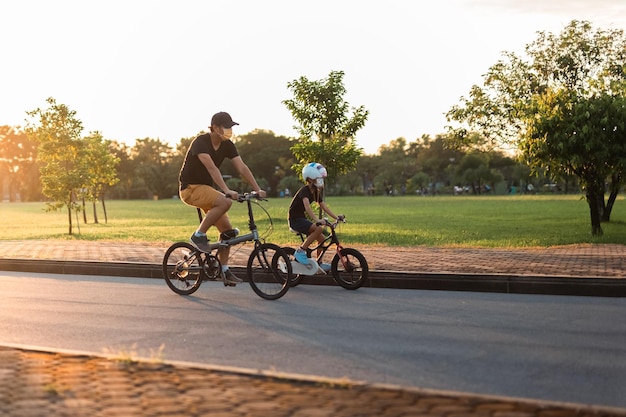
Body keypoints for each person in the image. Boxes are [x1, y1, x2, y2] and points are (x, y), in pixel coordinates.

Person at [178, 111, 266, 285]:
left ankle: (224, 271)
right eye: (226, 127)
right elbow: (211, 168)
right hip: (190, 188)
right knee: (225, 201)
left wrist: (257, 189)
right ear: (215, 127)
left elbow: (241, 167)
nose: (229, 131)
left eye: (231, 128)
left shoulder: (227, 145)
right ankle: (198, 235)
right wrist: (226, 190)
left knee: (227, 233)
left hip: (206, 190)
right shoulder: (200, 142)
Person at [288, 162, 343, 270]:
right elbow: (307, 207)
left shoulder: (316, 192)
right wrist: (317, 220)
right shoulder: (304, 190)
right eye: (318, 178)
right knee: (318, 229)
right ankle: (301, 251)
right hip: (295, 220)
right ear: (310, 179)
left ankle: (319, 263)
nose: (321, 181)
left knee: (322, 239)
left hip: (301, 219)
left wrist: (336, 218)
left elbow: (324, 207)